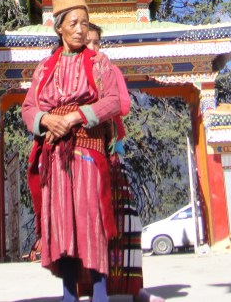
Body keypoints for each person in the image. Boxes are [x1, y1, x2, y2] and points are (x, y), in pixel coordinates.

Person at [21, 0, 121, 302]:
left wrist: (76, 117)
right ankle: (68, 294)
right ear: (59, 26)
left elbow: (113, 101)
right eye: (74, 23)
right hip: (54, 156)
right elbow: (28, 109)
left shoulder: (99, 62)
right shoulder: (45, 67)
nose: (80, 29)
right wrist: (47, 121)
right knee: (62, 222)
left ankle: (101, 293)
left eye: (85, 23)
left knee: (91, 220)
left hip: (87, 150)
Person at [85, 23, 164, 302]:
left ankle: (130, 287)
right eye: (88, 42)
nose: (93, 48)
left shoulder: (110, 70)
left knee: (125, 220)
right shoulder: (73, 72)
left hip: (110, 154)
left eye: (97, 42)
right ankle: (92, 287)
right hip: (84, 155)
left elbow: (123, 105)